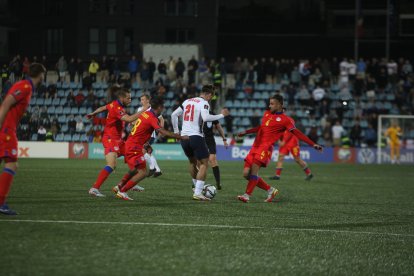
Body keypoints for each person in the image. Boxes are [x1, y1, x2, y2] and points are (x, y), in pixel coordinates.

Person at [236, 95, 322, 203]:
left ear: (279, 105)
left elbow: (297, 133)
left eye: (272, 104)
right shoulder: (267, 114)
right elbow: (261, 127)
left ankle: (247, 195)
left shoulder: (286, 120)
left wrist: (312, 144)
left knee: (254, 171)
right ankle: (270, 190)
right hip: (255, 146)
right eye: (269, 103)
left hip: (265, 148)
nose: (269, 106)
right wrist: (246, 132)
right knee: (245, 174)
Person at [112, 99, 187, 200]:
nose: (163, 109)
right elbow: (162, 132)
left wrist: (146, 144)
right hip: (134, 146)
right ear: (159, 108)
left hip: (132, 143)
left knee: (135, 169)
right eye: (163, 107)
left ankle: (119, 186)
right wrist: (180, 136)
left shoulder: (145, 113)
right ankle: (123, 191)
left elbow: (141, 130)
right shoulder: (152, 118)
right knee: (142, 172)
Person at [0, 63, 46, 215]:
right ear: (40, 74)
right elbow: (6, 103)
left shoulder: (26, 86)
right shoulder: (25, 86)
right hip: (6, 130)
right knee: (12, 164)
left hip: (6, 128)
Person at [86, 87, 149, 197]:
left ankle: (130, 183)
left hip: (118, 140)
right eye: (128, 98)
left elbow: (103, 107)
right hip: (111, 139)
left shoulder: (113, 104)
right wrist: (143, 110)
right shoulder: (117, 107)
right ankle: (94, 188)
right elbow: (128, 119)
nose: (130, 100)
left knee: (135, 155)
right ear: (122, 98)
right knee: (111, 165)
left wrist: (94, 113)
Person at [171, 84, 230, 201]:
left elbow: (174, 114)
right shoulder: (204, 103)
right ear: (208, 94)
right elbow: (206, 117)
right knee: (204, 163)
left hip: (184, 137)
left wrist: (177, 132)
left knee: (192, 162)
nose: (210, 99)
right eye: (211, 97)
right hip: (195, 136)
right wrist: (222, 115)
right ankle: (198, 192)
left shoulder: (187, 101)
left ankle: (195, 187)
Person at [269, 117, 313, 181]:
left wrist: (283, 142)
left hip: (293, 143)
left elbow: (289, 133)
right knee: (280, 157)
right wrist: (279, 140)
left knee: (297, 159)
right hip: (285, 144)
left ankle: (309, 173)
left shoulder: (288, 122)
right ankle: (277, 175)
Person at [136, 94, 163, 178]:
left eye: (143, 99)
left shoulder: (152, 109)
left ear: (148, 100)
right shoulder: (140, 109)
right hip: (142, 134)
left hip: (150, 134)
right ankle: (157, 170)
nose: (141, 101)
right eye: (141, 99)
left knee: (143, 151)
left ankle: (152, 168)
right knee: (147, 152)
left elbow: (161, 119)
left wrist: (160, 130)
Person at [203, 111, 228, 190]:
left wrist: (224, 139)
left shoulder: (211, 114)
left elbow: (218, 127)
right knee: (200, 162)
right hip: (199, 139)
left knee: (212, 159)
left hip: (210, 139)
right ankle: (196, 183)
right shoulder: (196, 112)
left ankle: (218, 182)